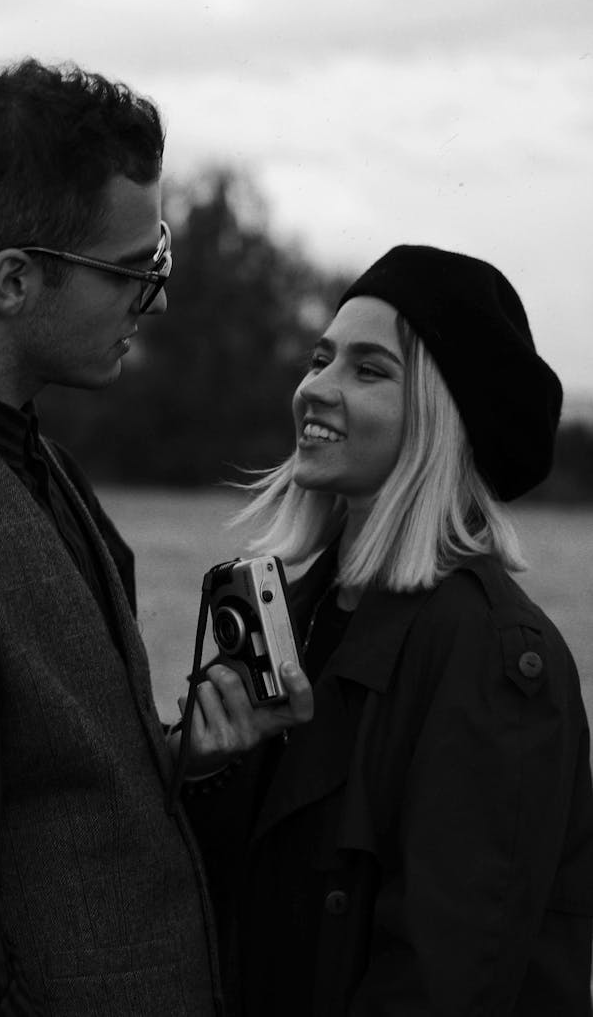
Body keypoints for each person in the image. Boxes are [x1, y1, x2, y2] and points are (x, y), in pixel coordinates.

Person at [0, 58, 312, 1017]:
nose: (159, 296)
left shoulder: (28, 452)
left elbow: (37, 781)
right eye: (135, 270)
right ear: (14, 280)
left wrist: (182, 755)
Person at [184, 245, 593, 1015]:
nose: (316, 390)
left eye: (368, 371)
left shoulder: (492, 653)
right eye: (321, 358)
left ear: (442, 420)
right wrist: (207, 767)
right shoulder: (300, 614)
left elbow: (445, 980)